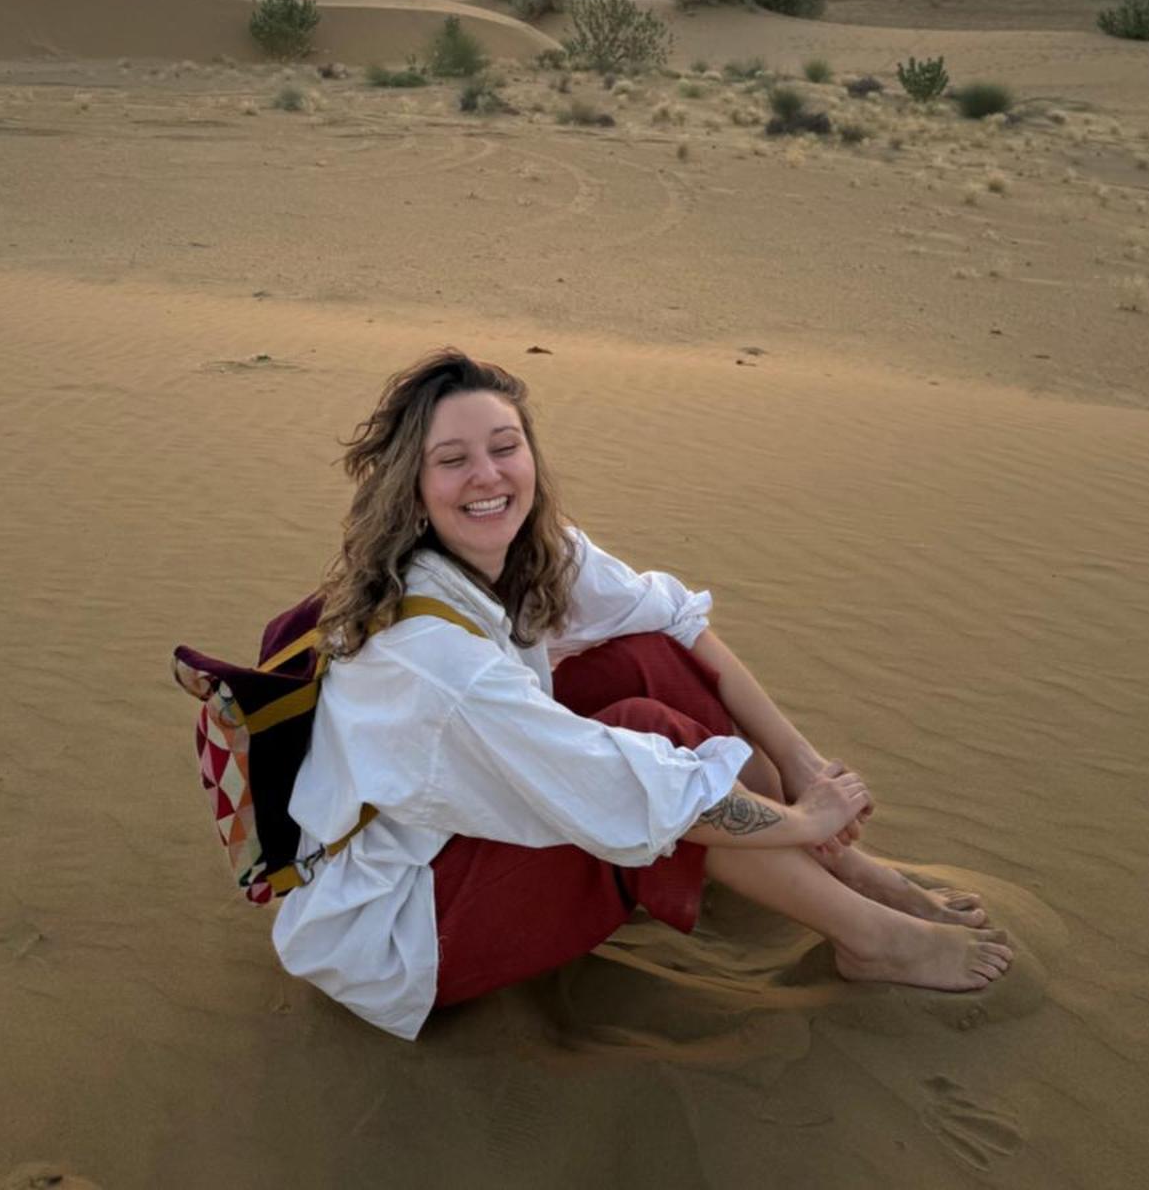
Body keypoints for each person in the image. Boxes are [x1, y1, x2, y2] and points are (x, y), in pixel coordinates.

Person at [271, 351, 1012, 1040]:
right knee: (646, 742)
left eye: (505, 446)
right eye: (452, 460)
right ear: (411, 485)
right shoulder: (434, 660)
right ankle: (874, 939)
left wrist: (802, 762)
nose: (487, 476)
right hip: (403, 938)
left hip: (450, 832)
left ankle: (837, 868)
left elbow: (675, 621)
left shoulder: (527, 551)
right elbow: (631, 789)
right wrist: (800, 815)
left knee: (647, 658)